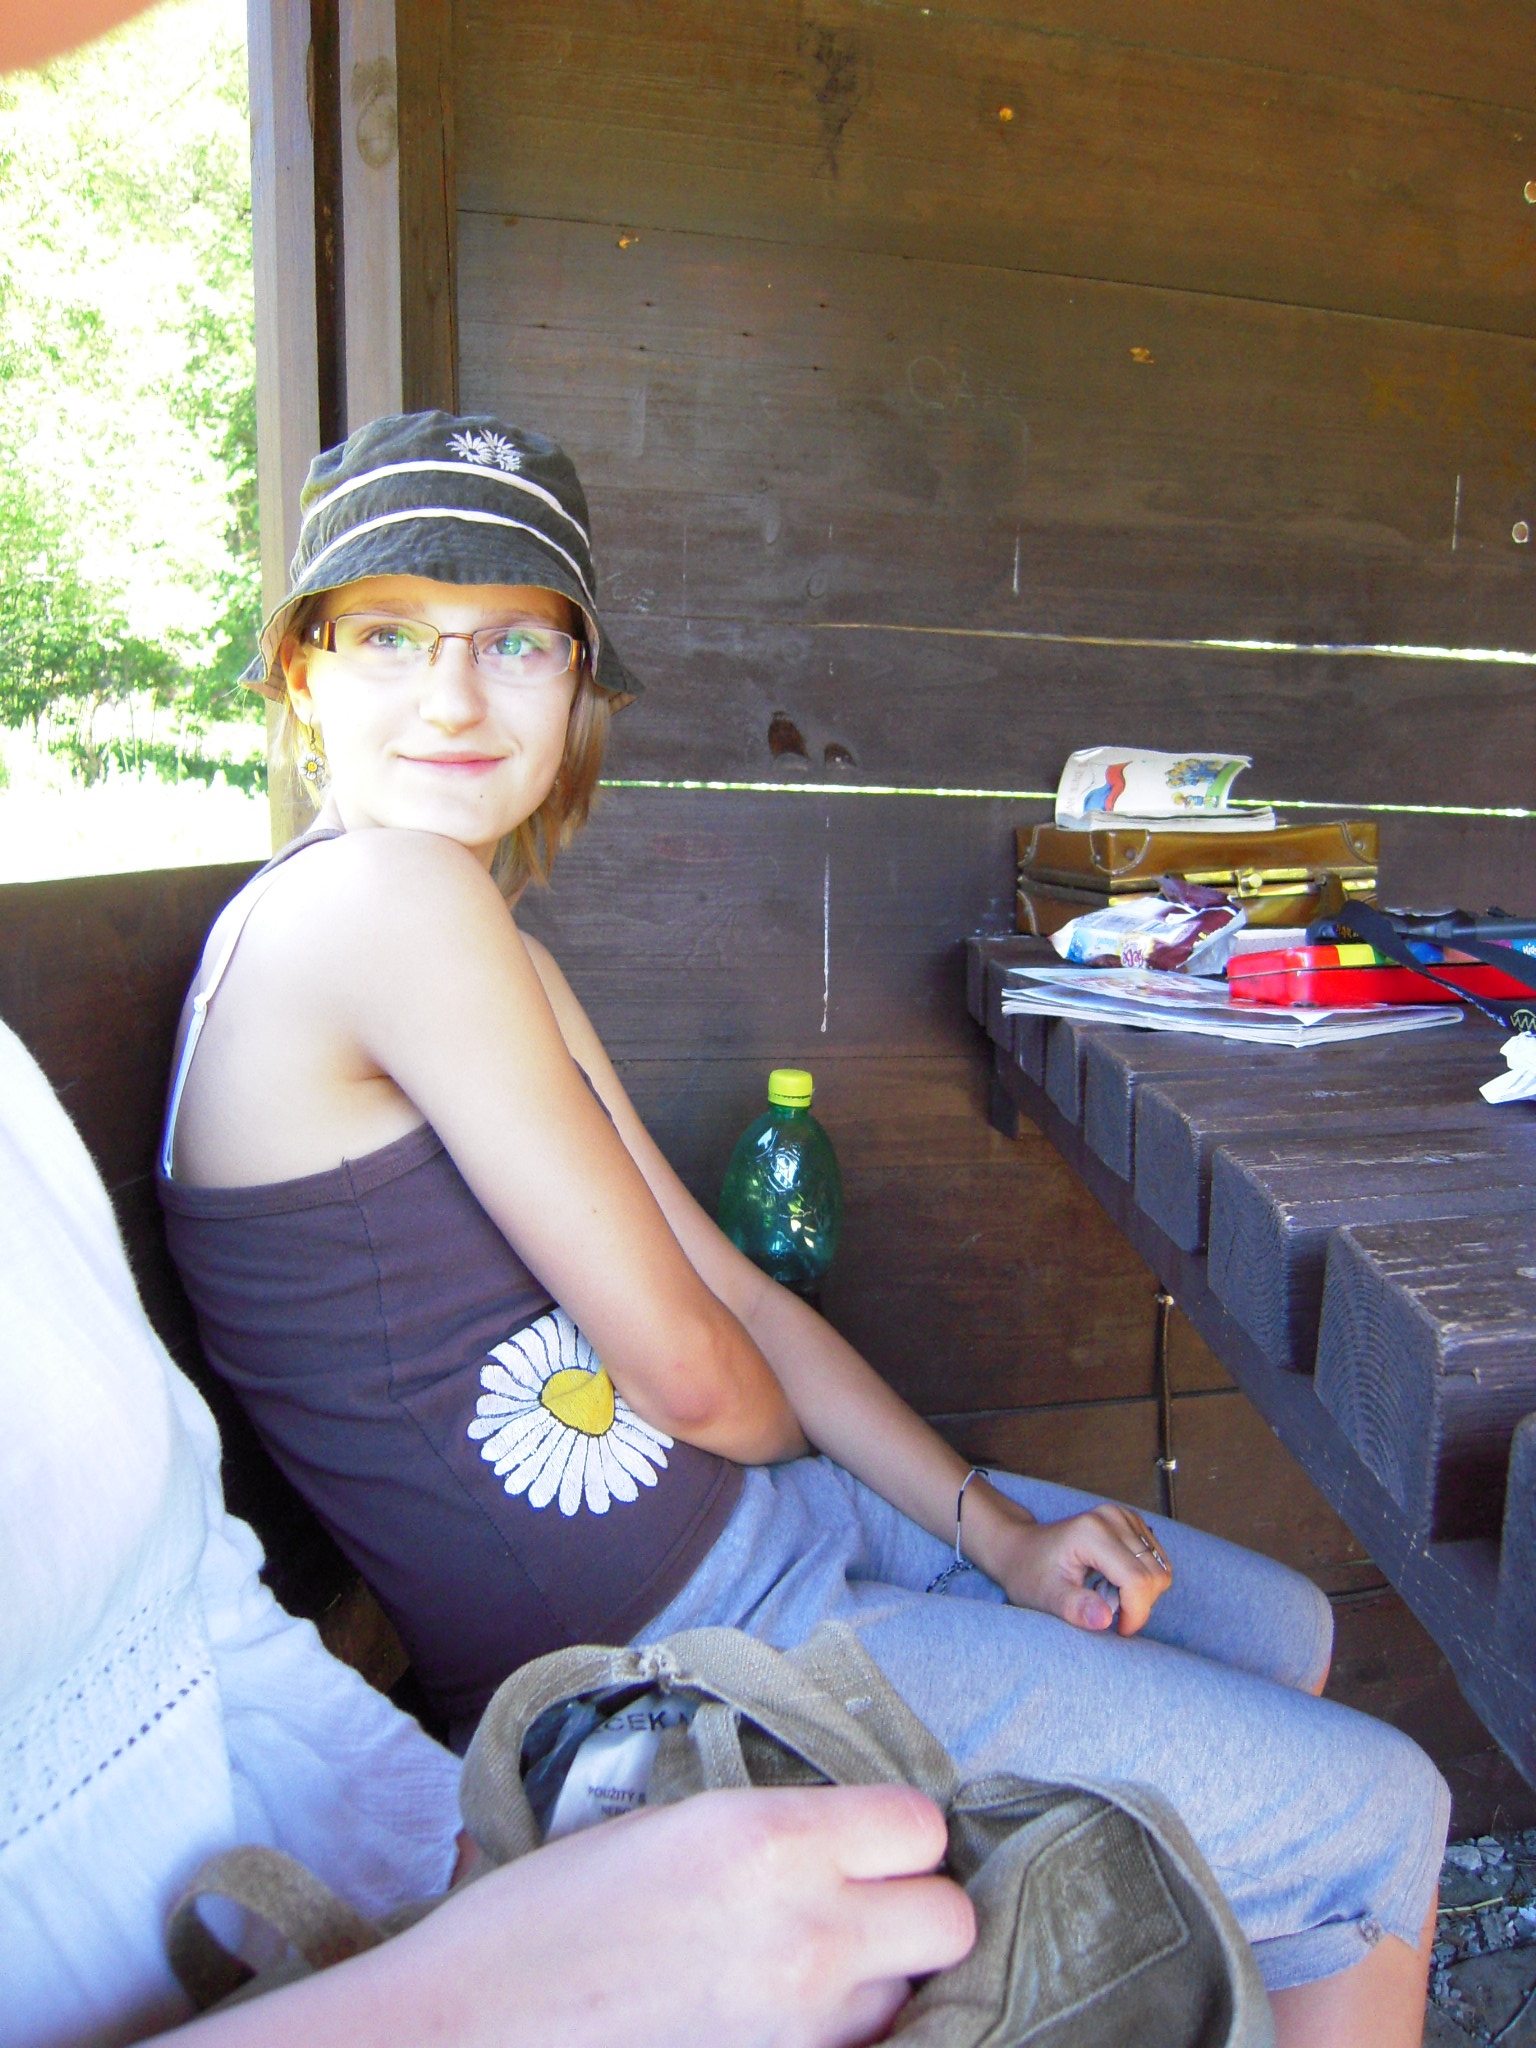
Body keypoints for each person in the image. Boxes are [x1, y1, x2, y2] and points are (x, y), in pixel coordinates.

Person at [156, 411, 1447, 2048]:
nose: (458, 696)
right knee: (1382, 1821)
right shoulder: (381, 904)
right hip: (670, 1661)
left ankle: (1160, 1973)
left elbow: (738, 1306)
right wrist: (753, 1399)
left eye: (518, 641)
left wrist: (992, 1531)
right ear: (300, 675)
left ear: (581, 687)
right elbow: (702, 1373)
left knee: (1279, 1628)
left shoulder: (483, 941)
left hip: (775, 1533)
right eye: (391, 635)